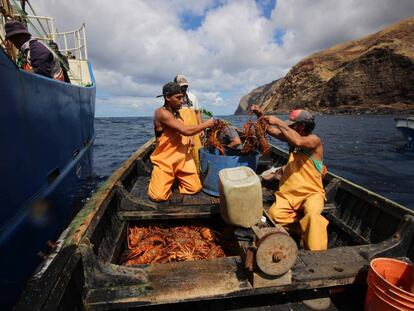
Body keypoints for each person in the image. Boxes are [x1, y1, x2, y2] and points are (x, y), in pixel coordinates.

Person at [252, 105, 328, 251]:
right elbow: (269, 129)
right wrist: (260, 115)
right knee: (273, 215)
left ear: (302, 126)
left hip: (311, 194)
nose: (288, 128)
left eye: (292, 125)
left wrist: (279, 122)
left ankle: (318, 255)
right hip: (289, 194)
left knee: (313, 216)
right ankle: (302, 229)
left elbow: (299, 142)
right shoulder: (291, 138)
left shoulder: (314, 141)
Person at [148, 82, 215, 202]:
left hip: (181, 159)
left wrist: (187, 139)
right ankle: (163, 176)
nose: (182, 101)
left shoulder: (176, 113)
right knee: (158, 196)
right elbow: (185, 130)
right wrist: (206, 124)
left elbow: (180, 130)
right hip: (165, 160)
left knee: (195, 188)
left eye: (182, 97)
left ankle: (173, 178)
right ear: (167, 97)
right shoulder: (161, 113)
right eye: (178, 98)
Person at [173, 75, 203, 172]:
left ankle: (198, 173)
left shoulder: (192, 96)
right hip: (181, 132)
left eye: (185, 86)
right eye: (181, 86)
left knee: (197, 153)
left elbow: (197, 112)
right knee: (182, 154)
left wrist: (201, 127)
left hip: (195, 131)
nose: (184, 88)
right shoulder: (174, 99)